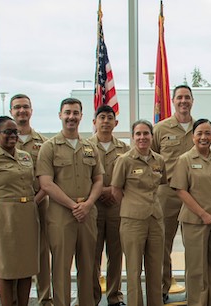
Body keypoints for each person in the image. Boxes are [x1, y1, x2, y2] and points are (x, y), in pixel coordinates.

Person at [36, 98, 104, 306]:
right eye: (67, 113)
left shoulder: (91, 147)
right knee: (61, 267)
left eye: (75, 113)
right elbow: (46, 184)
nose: (71, 117)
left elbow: (99, 179)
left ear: (81, 117)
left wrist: (88, 204)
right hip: (61, 216)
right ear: (60, 115)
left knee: (88, 265)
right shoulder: (49, 148)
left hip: (87, 215)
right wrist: (74, 206)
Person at [0, 116, 43, 306]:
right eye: (8, 132)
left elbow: (35, 185)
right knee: (7, 269)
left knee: (27, 268)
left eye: (15, 132)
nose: (13, 135)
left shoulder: (25, 156)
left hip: (28, 216)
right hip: (4, 218)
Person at [170, 119, 211, 306]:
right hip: (195, 221)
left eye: (207, 133)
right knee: (196, 267)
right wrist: (203, 214)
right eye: (199, 133)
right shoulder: (185, 160)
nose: (203, 137)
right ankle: (197, 303)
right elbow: (181, 190)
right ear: (193, 136)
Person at [111, 120, 167, 306]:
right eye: (138, 134)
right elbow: (116, 190)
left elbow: (161, 184)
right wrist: (131, 206)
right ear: (133, 136)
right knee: (134, 270)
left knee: (154, 268)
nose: (142, 137)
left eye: (146, 133)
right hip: (132, 221)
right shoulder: (124, 160)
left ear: (152, 136)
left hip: (155, 219)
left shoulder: (159, 160)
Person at [152, 85, 195, 302]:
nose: (183, 101)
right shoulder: (160, 129)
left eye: (187, 97)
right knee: (162, 244)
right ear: (173, 100)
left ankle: (196, 290)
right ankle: (162, 288)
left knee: (195, 245)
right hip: (167, 193)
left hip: (195, 196)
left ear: (192, 101)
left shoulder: (200, 128)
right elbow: (150, 159)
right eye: (179, 97)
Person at [9, 94, 52, 306]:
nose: (21, 111)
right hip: (14, 207)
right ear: (11, 112)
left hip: (39, 202)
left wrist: (36, 199)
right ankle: (16, 298)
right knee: (15, 250)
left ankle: (45, 298)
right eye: (17, 108)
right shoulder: (2, 143)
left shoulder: (43, 143)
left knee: (42, 251)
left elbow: (48, 176)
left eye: (25, 107)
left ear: (31, 111)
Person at [88, 105, 129, 306]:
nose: (105, 121)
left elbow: (129, 178)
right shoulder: (84, 146)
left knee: (115, 253)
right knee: (92, 255)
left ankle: (114, 297)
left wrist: (111, 191)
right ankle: (92, 296)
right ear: (94, 122)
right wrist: (102, 191)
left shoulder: (124, 149)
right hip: (91, 207)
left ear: (116, 123)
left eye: (109, 118)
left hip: (116, 207)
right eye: (101, 117)